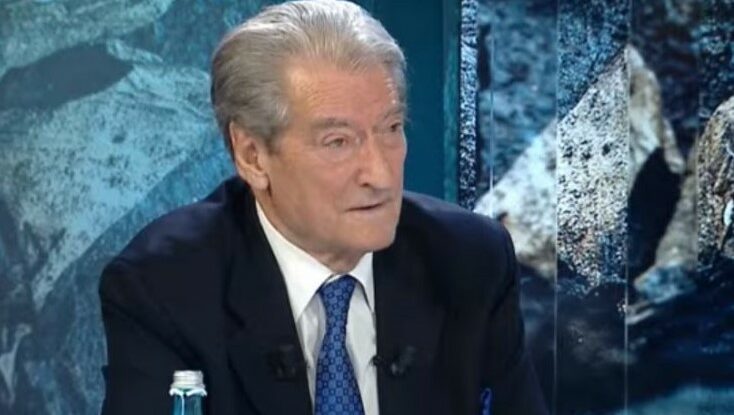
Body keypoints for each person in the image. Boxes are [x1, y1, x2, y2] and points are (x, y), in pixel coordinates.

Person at [98, 1, 547, 414]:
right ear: (253, 156)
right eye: (338, 142)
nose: (381, 174)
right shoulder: (165, 286)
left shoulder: (470, 261)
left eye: (391, 128)